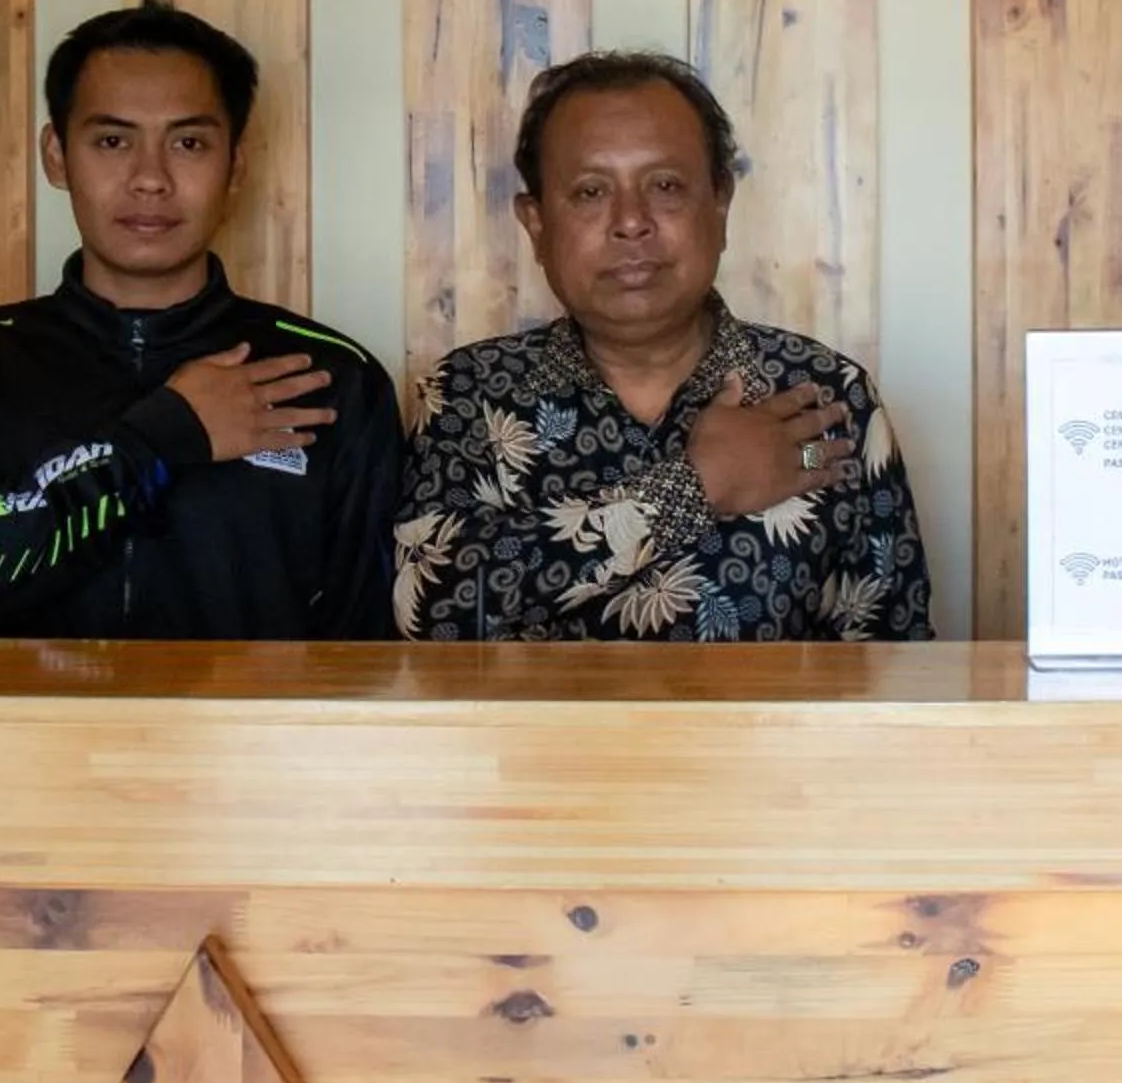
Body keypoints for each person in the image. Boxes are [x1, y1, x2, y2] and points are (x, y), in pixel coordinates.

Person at [0, 0, 402, 639]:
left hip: (250, 742)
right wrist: (159, 439)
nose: (150, 178)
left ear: (234, 165)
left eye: (187, 142)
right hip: (22, 741)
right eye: (112, 140)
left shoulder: (330, 379)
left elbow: (363, 646)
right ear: (56, 156)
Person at [393, 51, 931, 642]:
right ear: (537, 224)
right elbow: (431, 610)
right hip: (536, 741)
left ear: (720, 205)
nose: (631, 222)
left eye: (666, 186)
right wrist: (695, 487)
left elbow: (891, 659)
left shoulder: (824, 397)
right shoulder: (470, 392)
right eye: (591, 191)